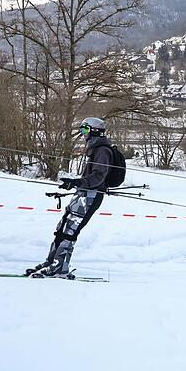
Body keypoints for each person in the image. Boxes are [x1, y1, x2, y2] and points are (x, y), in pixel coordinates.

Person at [26, 117, 114, 279]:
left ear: (94, 131)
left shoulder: (103, 151)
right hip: (82, 194)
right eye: (82, 130)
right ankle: (51, 262)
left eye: (85, 130)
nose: (83, 134)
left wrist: (78, 182)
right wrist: (73, 184)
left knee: (70, 232)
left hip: (92, 196)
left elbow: (98, 177)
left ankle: (60, 268)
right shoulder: (95, 149)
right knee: (61, 228)